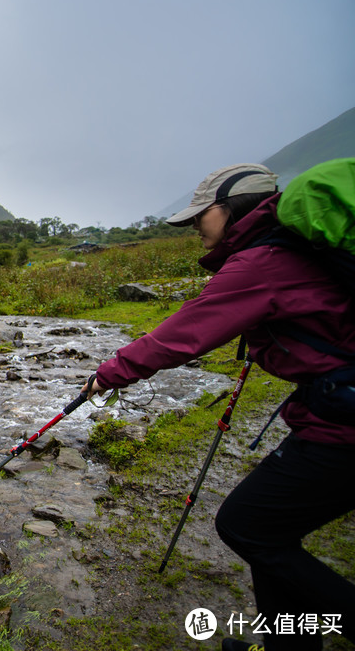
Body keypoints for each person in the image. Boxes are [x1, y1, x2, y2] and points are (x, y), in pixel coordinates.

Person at [81, 164, 355, 651]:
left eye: (199, 217)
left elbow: (186, 332)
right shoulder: (291, 249)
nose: (195, 229)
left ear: (231, 209)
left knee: (247, 527)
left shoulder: (262, 262)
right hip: (334, 410)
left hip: (344, 422)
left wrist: (110, 373)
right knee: (269, 534)